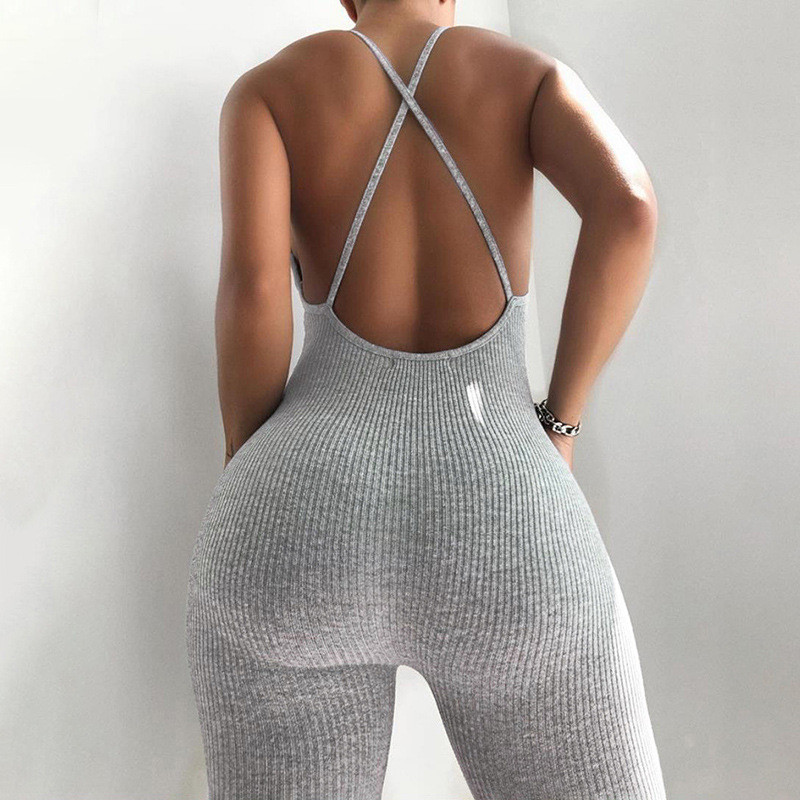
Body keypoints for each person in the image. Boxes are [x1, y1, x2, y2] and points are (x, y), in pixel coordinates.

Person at [186, 0, 666, 797]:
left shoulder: (268, 92)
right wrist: (560, 423)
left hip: (298, 497)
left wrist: (253, 485)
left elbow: (255, 290)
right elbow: (630, 208)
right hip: (504, 502)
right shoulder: (523, 77)